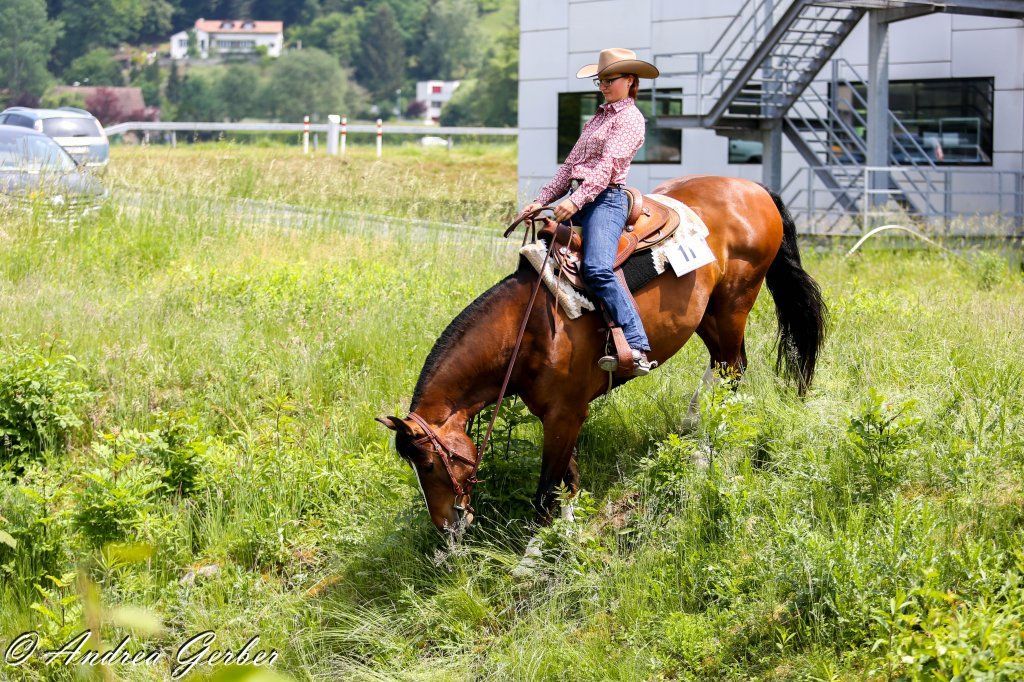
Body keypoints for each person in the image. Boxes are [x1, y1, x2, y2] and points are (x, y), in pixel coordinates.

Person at [520, 48, 659, 376]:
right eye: (601, 80)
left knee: (596, 269)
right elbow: (569, 165)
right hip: (579, 197)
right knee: (538, 259)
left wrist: (577, 200)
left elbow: (608, 167)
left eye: (610, 80)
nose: (604, 86)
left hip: (605, 201)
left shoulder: (630, 119)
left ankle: (636, 344)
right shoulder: (597, 117)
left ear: (629, 80)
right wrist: (542, 200)